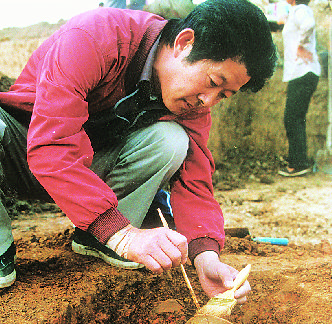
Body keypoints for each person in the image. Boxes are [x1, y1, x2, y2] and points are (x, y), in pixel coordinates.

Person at [0, 0, 276, 302]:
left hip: (87, 173)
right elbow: (50, 146)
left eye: (223, 95)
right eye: (213, 82)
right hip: (24, 151)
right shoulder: (95, 37)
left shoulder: (192, 102)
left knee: (171, 139)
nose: (208, 101)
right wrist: (126, 236)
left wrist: (205, 259)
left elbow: (195, 181)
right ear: (185, 43)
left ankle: (98, 238)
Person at [278, 0, 321, 177]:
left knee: (292, 118)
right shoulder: (296, 11)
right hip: (302, 72)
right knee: (295, 118)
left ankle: (298, 163)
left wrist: (301, 46)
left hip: (303, 71)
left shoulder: (300, 10)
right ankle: (298, 161)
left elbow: (309, 25)